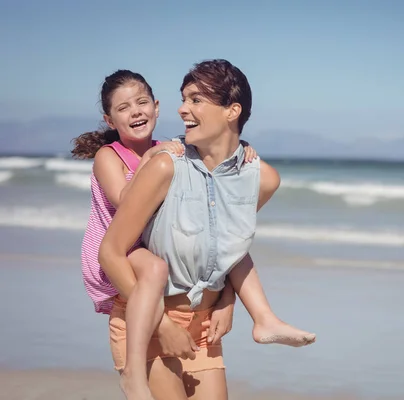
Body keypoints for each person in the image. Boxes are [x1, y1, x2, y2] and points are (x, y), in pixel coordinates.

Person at [94, 61, 315, 400]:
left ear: (232, 111)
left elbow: (222, 246)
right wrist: (163, 325)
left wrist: (227, 300)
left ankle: (266, 319)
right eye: (184, 99)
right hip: (150, 324)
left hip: (204, 329)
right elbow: (110, 251)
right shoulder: (165, 164)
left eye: (196, 100)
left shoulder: (262, 178)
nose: (183, 109)